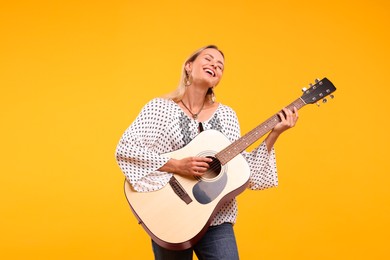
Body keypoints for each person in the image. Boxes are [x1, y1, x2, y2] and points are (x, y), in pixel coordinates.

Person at [115, 45, 298, 260]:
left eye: (220, 66)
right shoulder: (159, 108)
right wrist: (178, 165)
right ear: (188, 66)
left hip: (216, 219)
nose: (215, 66)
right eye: (209, 59)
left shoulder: (227, 115)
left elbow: (243, 171)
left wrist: (274, 134)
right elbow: (127, 149)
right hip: (170, 215)